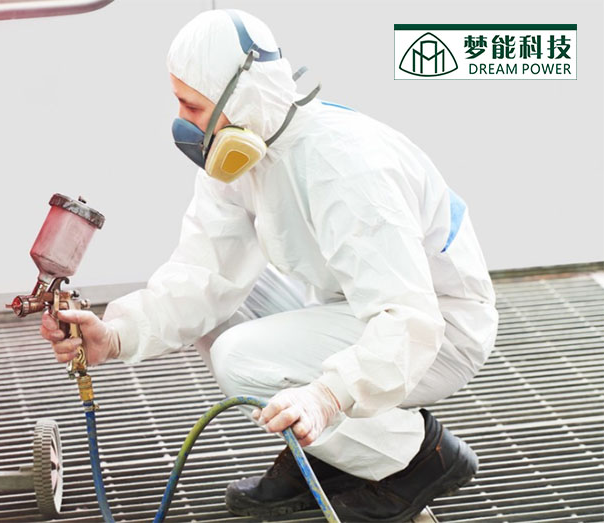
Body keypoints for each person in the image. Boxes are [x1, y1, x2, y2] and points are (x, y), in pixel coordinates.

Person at [39, 9, 499, 521]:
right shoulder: (243, 150)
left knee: (239, 357)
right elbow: (203, 275)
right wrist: (115, 335)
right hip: (350, 307)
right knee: (219, 312)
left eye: (192, 106)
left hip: (438, 331)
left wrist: (326, 397)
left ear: (240, 97)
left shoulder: (344, 167)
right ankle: (333, 457)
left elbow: (409, 320)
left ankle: (417, 456)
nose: (182, 122)